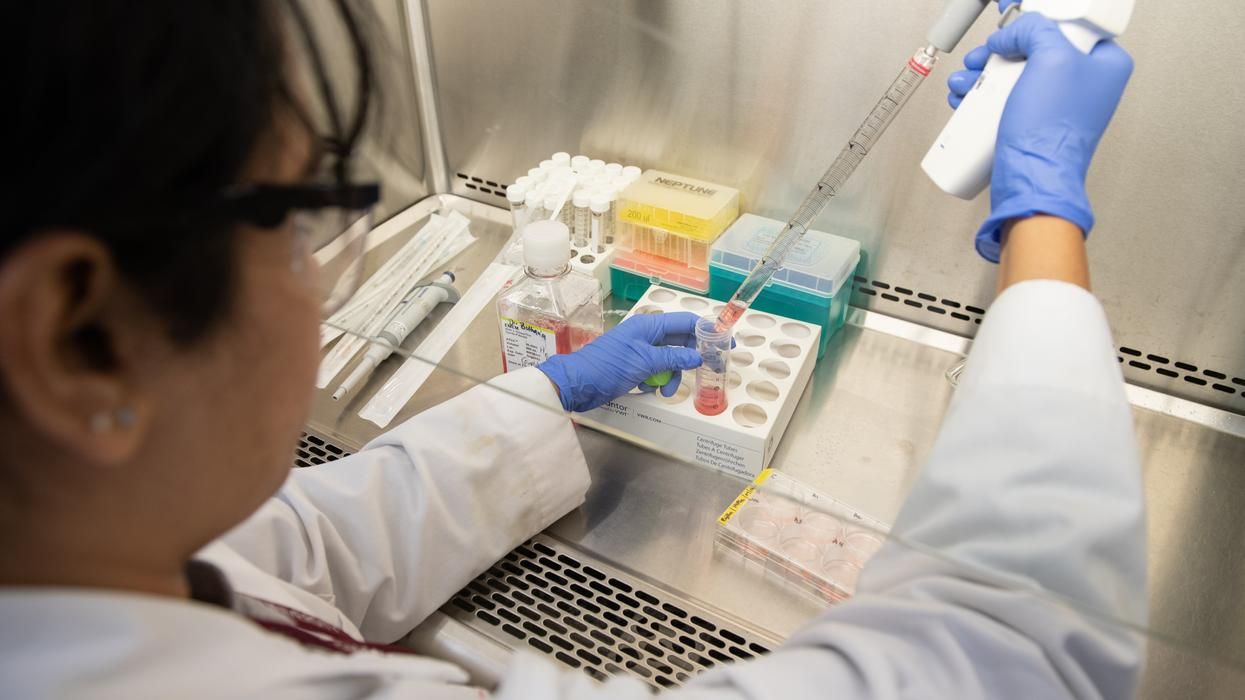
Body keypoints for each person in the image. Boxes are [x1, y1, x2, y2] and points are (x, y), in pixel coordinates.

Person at [0, 2, 1142, 698]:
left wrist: (547, 392)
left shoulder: (78, 565)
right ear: (79, 341)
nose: (322, 269)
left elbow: (291, 547)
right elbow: (1007, 655)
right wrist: (1044, 214)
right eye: (300, 221)